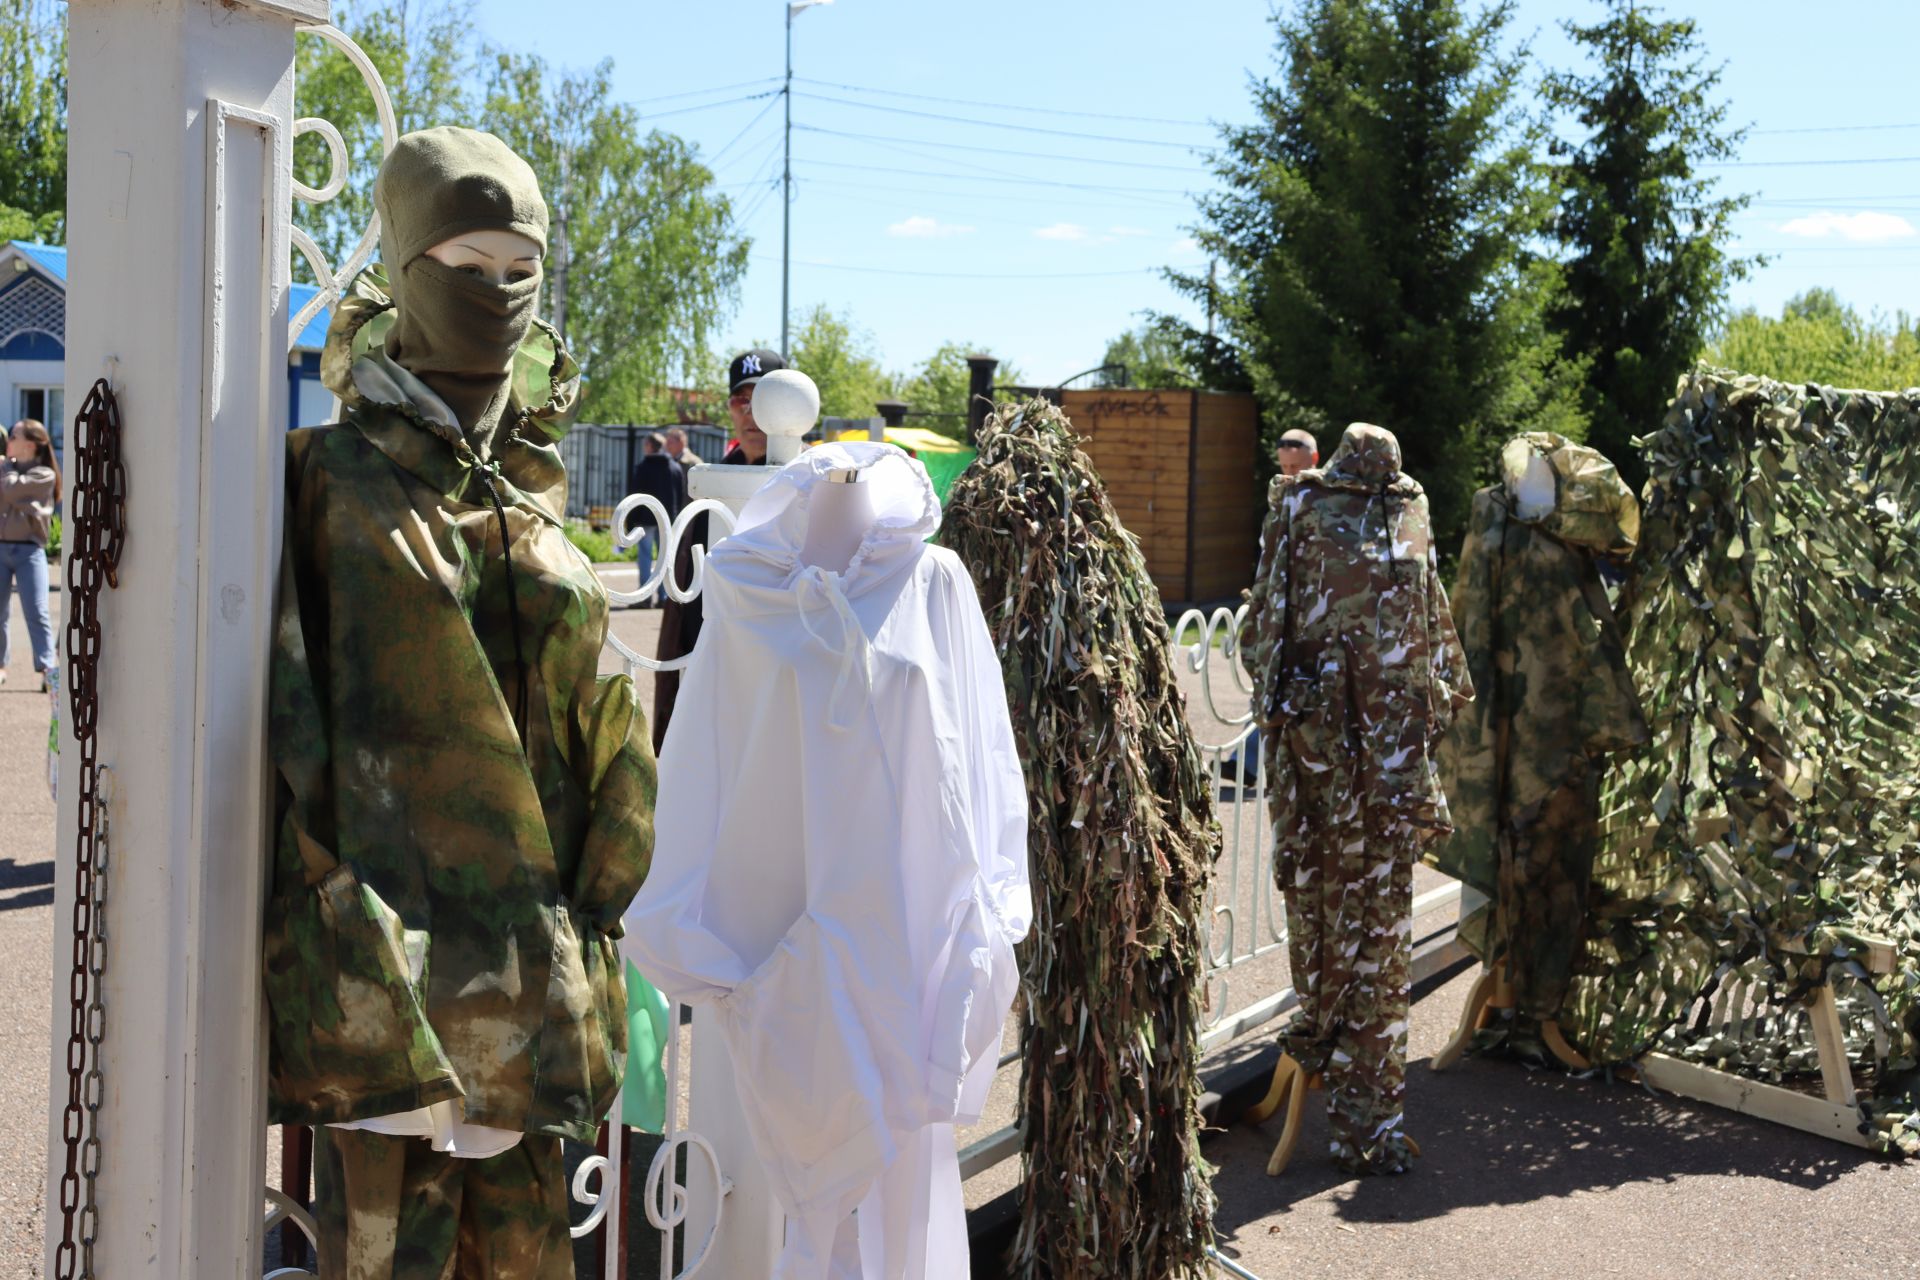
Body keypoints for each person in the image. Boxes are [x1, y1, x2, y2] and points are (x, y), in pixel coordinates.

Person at [262, 126, 655, 1280]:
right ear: (402, 267)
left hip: (536, 995)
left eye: (515, 268)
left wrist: (594, 924)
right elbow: (292, 727)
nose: (495, 294)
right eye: (464, 265)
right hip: (402, 1006)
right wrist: (350, 943)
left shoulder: (534, 484)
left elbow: (603, 746)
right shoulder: (329, 481)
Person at [651, 347, 783, 749]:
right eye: (741, 401)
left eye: (761, 399)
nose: (750, 412)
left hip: (782, 671)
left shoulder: (811, 480)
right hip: (719, 666)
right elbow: (686, 596)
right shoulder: (711, 482)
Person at [1, 419, 60, 693]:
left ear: (31, 444)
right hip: (1, 547)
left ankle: (48, 668)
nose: (9, 440)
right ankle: (1, 666)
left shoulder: (44, 474)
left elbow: (11, 490)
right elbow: (15, 493)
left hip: (30, 550)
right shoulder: (7, 468)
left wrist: (11, 486)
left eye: (14, 435)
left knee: (37, 610)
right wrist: (20, 497)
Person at [626, 431, 683, 607]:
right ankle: (664, 597)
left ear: (650, 446)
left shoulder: (643, 468)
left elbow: (635, 495)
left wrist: (630, 521)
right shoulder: (674, 467)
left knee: (645, 556)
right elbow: (680, 495)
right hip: (666, 520)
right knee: (664, 557)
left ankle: (644, 596)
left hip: (645, 519)